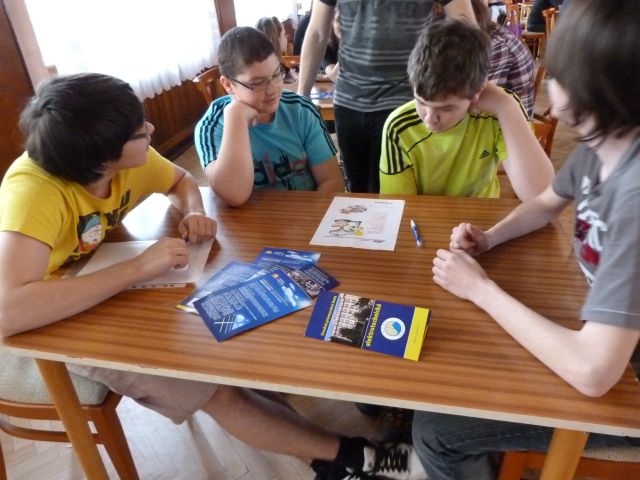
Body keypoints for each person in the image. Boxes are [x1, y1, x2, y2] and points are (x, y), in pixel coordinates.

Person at [0, 73, 423, 480]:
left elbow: (182, 180)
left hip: (108, 285)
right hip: (56, 321)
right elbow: (9, 312)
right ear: (104, 157)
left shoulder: (126, 158)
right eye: (138, 131)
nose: (151, 129)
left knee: (232, 354)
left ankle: (325, 455)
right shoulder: (32, 192)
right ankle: (356, 457)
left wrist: (194, 211)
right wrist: (138, 268)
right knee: (218, 392)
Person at [412, 1, 640, 478]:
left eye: (559, 78)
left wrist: (481, 289)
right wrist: (491, 238)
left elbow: (593, 373)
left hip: (623, 379)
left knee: (435, 430)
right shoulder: (606, 145)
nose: (551, 94)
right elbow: (545, 203)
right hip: (603, 334)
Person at [297, 0, 476, 194]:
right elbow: (317, 33)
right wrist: (301, 100)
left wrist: (474, 86)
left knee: (402, 192)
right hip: (349, 102)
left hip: (406, 102)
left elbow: (466, 27)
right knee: (358, 192)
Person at [379, 18, 553, 200]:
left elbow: (540, 197)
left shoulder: (499, 112)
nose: (429, 119)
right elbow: (398, 205)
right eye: (421, 102)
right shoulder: (399, 127)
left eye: (446, 108)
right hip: (424, 214)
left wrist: (506, 106)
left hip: (481, 212)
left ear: (477, 93)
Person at [194, 27, 344, 208]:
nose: (272, 90)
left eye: (276, 75)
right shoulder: (211, 127)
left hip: (307, 214)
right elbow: (234, 195)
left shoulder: (301, 111)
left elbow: (332, 182)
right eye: (257, 83)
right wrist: (236, 117)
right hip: (249, 222)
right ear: (229, 85)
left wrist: (304, 220)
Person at [472, 0, 535, 118]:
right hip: (491, 120)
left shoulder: (497, 46)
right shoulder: (489, 34)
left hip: (511, 125)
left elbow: (477, 104)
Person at [255, 16, 297, 83]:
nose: (287, 37)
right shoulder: (273, 71)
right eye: (284, 34)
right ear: (276, 40)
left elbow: (291, 72)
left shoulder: (277, 62)